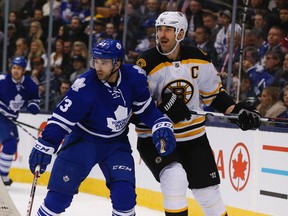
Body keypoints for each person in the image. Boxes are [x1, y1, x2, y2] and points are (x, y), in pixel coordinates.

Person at [28, 39, 176, 216]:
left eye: (104, 63)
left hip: (116, 144)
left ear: (118, 63)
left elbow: (146, 110)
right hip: (83, 142)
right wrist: (45, 144)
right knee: (57, 200)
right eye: (96, 61)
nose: (98, 67)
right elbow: (61, 120)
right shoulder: (84, 86)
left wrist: (161, 123)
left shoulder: (134, 77)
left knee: (125, 198)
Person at [135, 11, 261, 216]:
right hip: (157, 137)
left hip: (194, 137)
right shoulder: (146, 62)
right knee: (175, 178)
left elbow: (214, 96)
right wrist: (161, 105)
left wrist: (238, 112)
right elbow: (137, 106)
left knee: (209, 193)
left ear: (181, 33)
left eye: (169, 29)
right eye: (160, 29)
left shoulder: (198, 58)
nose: (162, 34)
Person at [0, 57, 40, 186]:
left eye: (18, 68)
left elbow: (35, 99)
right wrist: (6, 110)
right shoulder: (2, 81)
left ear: (23, 70)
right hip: (1, 116)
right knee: (10, 143)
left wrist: (32, 105)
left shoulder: (30, 84)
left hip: (10, 119)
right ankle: (2, 176)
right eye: (13, 68)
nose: (15, 70)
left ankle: (3, 176)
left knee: (13, 143)